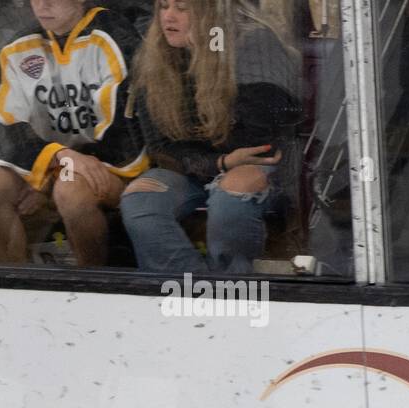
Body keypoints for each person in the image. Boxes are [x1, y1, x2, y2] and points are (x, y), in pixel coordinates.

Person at [119, 0, 302, 273]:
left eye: (183, 8)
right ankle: (189, 287)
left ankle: (232, 285)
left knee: (231, 196)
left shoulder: (255, 43)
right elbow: (161, 147)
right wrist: (219, 163)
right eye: (164, 6)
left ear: (214, 12)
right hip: (201, 167)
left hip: (265, 166)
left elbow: (256, 144)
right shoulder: (156, 54)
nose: (168, 16)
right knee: (139, 199)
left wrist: (208, 56)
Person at [0, 0, 146, 266]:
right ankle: (13, 284)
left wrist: (54, 172)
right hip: (56, 162)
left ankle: (90, 288)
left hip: (111, 166)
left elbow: (125, 130)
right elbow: (1, 126)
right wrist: (57, 158)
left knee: (69, 188)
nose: (43, 5)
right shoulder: (19, 47)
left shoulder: (114, 36)